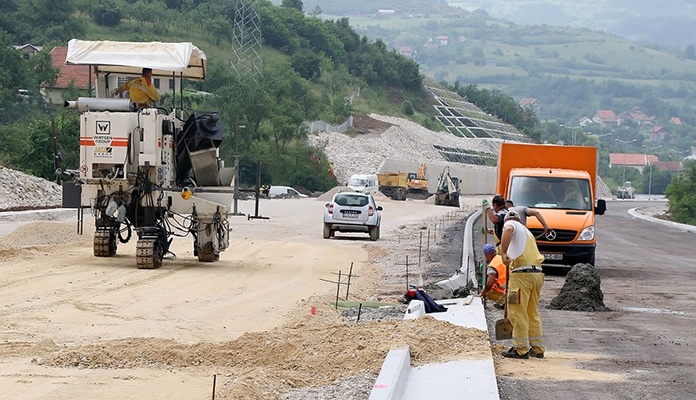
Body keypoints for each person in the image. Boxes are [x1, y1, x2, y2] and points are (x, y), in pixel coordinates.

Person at [499, 209, 546, 359]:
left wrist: (504, 252)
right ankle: (538, 348)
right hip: (537, 274)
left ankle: (520, 349)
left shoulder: (510, 224)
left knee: (517, 311)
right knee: (532, 312)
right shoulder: (527, 233)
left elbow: (508, 229)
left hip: (522, 276)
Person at [479, 243, 507, 308]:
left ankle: (504, 303)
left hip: (506, 289)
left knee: (489, 291)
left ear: (486, 255)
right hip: (515, 285)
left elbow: (489, 283)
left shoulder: (493, 266)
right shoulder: (501, 258)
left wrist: (482, 293)